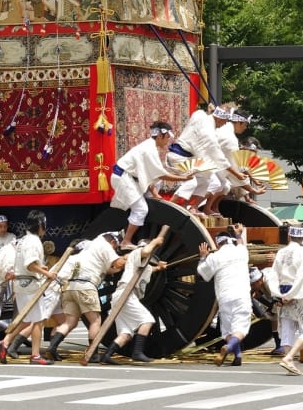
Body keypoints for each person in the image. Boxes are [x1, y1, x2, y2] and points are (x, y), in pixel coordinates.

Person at [112, 121, 193, 249]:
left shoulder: (150, 146)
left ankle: (150, 199)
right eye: (167, 138)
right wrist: (183, 178)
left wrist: (155, 193)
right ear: (160, 136)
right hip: (124, 178)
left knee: (155, 184)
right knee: (141, 209)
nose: (168, 141)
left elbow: (151, 175)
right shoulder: (149, 150)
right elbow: (161, 174)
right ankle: (125, 241)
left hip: (130, 178)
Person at [44, 232, 124, 361]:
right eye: (115, 247)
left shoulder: (86, 251)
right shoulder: (105, 246)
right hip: (86, 287)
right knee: (95, 320)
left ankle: (52, 347)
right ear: (113, 242)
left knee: (70, 322)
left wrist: (115, 269)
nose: (115, 250)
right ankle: (93, 352)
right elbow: (118, 263)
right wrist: (133, 256)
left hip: (70, 287)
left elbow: (108, 269)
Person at [0, 210, 56, 365]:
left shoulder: (24, 240)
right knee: (38, 320)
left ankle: (5, 343)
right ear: (41, 225)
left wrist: (42, 268)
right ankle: (35, 355)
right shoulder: (33, 241)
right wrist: (46, 273)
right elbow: (30, 265)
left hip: (22, 284)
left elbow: (30, 263)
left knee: (26, 320)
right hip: (30, 285)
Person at [100, 236, 167, 364]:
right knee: (148, 320)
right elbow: (145, 252)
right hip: (126, 294)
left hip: (123, 296)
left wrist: (159, 267)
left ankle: (107, 355)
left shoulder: (143, 265)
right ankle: (137, 352)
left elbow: (150, 269)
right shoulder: (137, 253)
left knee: (126, 333)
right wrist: (155, 241)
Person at [197, 224, 251, 367]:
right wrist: (239, 234)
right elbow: (241, 243)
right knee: (240, 328)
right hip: (242, 295)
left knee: (228, 329)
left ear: (218, 243)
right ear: (230, 241)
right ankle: (230, 348)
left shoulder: (215, 256)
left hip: (225, 296)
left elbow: (203, 273)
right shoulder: (241, 252)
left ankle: (236, 355)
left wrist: (203, 257)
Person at [272, 225, 303, 376]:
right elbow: (302, 277)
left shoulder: (280, 252)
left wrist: (279, 294)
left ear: (289, 236)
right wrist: (292, 294)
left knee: (287, 328)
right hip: (298, 293)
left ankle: (289, 360)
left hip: (283, 290)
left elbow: (273, 274)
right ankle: (288, 357)